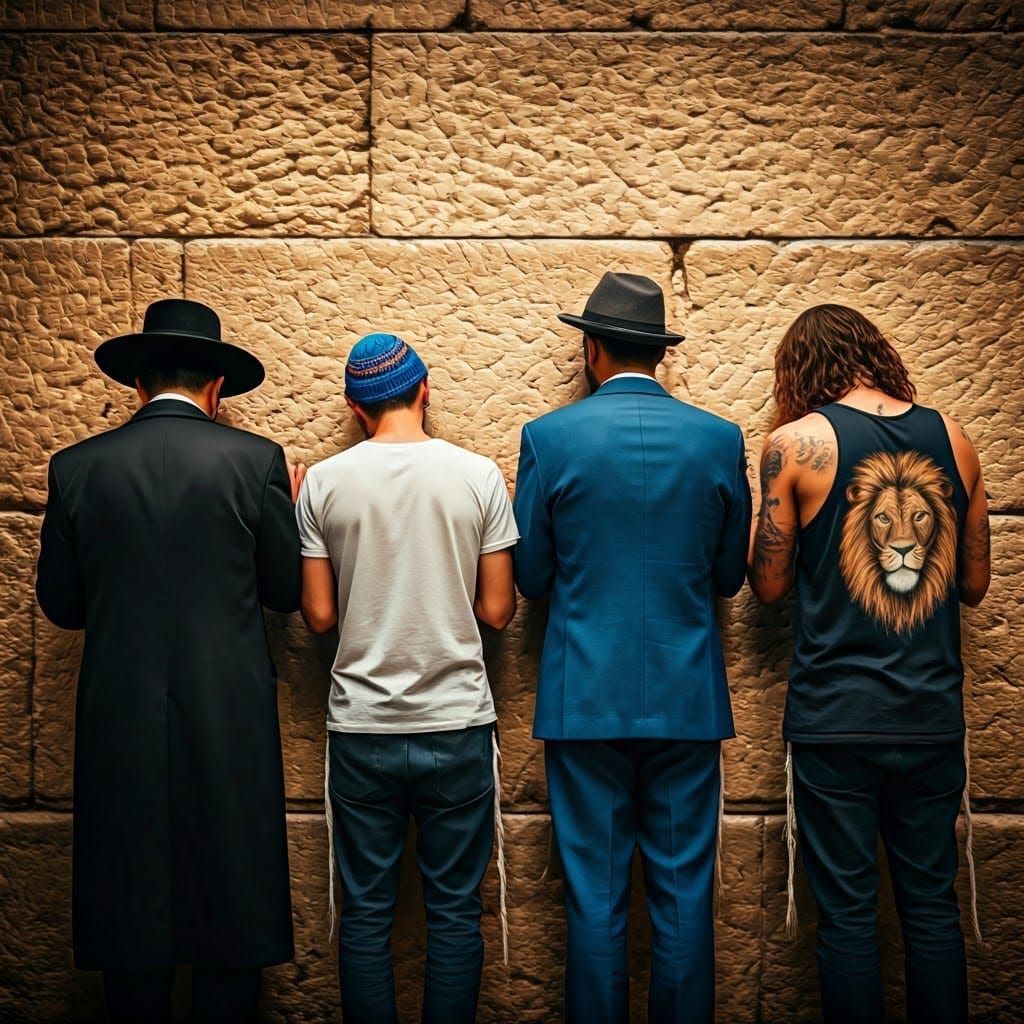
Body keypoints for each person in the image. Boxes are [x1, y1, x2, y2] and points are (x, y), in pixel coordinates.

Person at [36, 299, 305, 1024]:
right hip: (229, 720)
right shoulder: (257, 463)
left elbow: (61, 606)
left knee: (130, 925)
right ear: (217, 386)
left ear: (138, 384)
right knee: (229, 915)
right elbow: (285, 592)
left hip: (118, 719)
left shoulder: (76, 468)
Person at [513, 272, 751, 1024]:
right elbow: (729, 575)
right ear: (661, 355)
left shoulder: (547, 438)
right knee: (683, 899)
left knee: (594, 899)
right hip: (685, 701)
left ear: (591, 350)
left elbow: (532, 575)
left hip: (584, 701)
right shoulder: (718, 439)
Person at [748, 303, 990, 1024]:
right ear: (876, 354)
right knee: (931, 911)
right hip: (930, 717)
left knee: (849, 917)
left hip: (836, 721)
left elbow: (767, 586)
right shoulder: (955, 438)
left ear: (798, 372)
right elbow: (974, 587)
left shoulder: (793, 446)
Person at [296, 333, 518, 1024]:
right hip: (456, 725)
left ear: (354, 408)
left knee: (365, 914)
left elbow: (320, 616)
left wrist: (305, 507)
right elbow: (499, 612)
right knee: (454, 912)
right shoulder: (479, 475)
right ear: (426, 391)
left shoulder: (324, 483)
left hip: (362, 729)